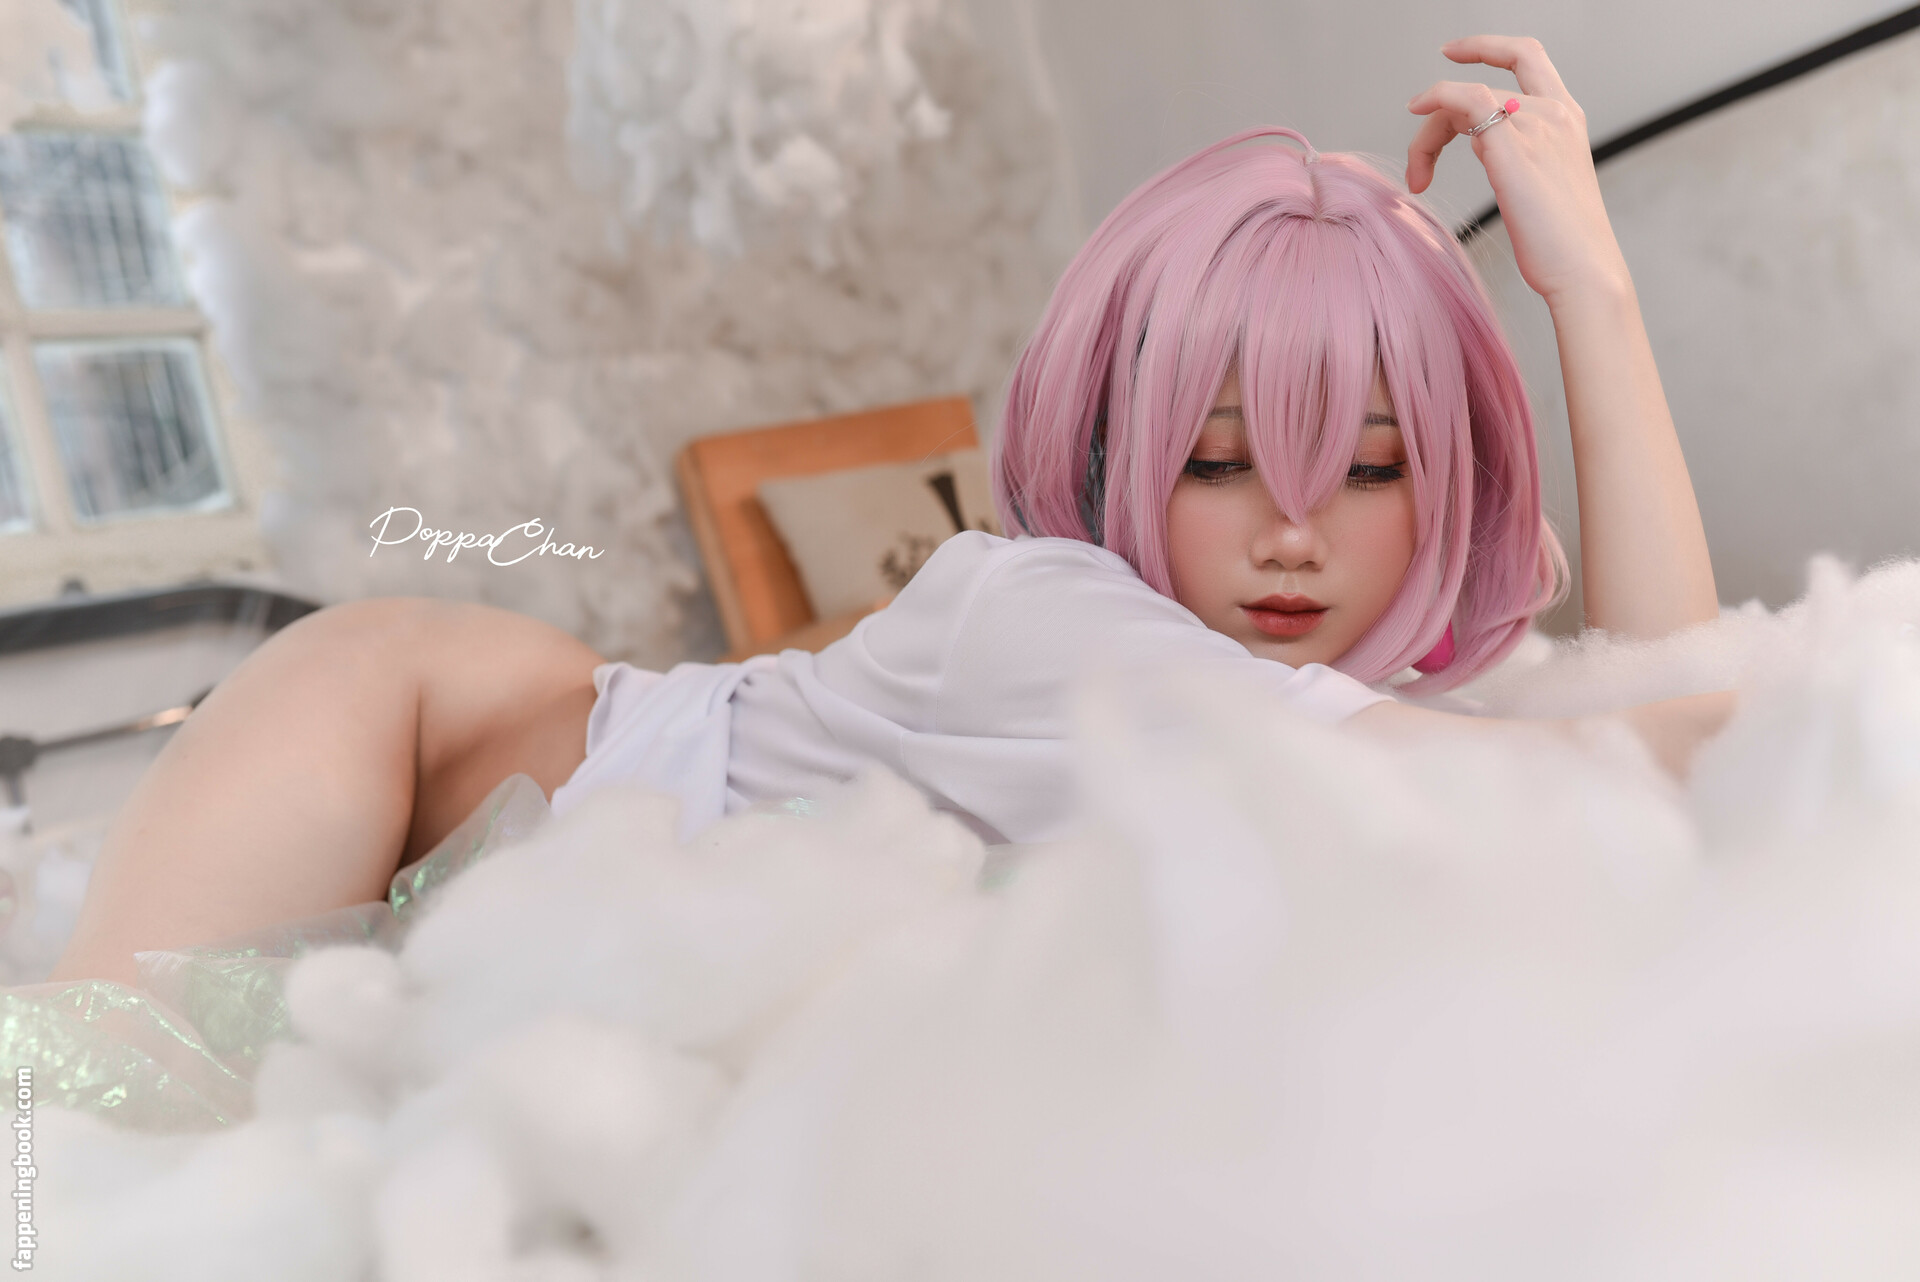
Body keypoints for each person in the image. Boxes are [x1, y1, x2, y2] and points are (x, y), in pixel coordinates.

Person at [50, 35, 1734, 988]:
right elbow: (1690, 756)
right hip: (406, 720)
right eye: (1217, 461)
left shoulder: (1361, 674)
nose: (1293, 536)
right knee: (92, 1137)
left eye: (1363, 469)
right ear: (1121, 445)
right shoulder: (1050, 620)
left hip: (581, 788)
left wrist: (1593, 289)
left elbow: (1683, 717)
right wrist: (1584, 301)